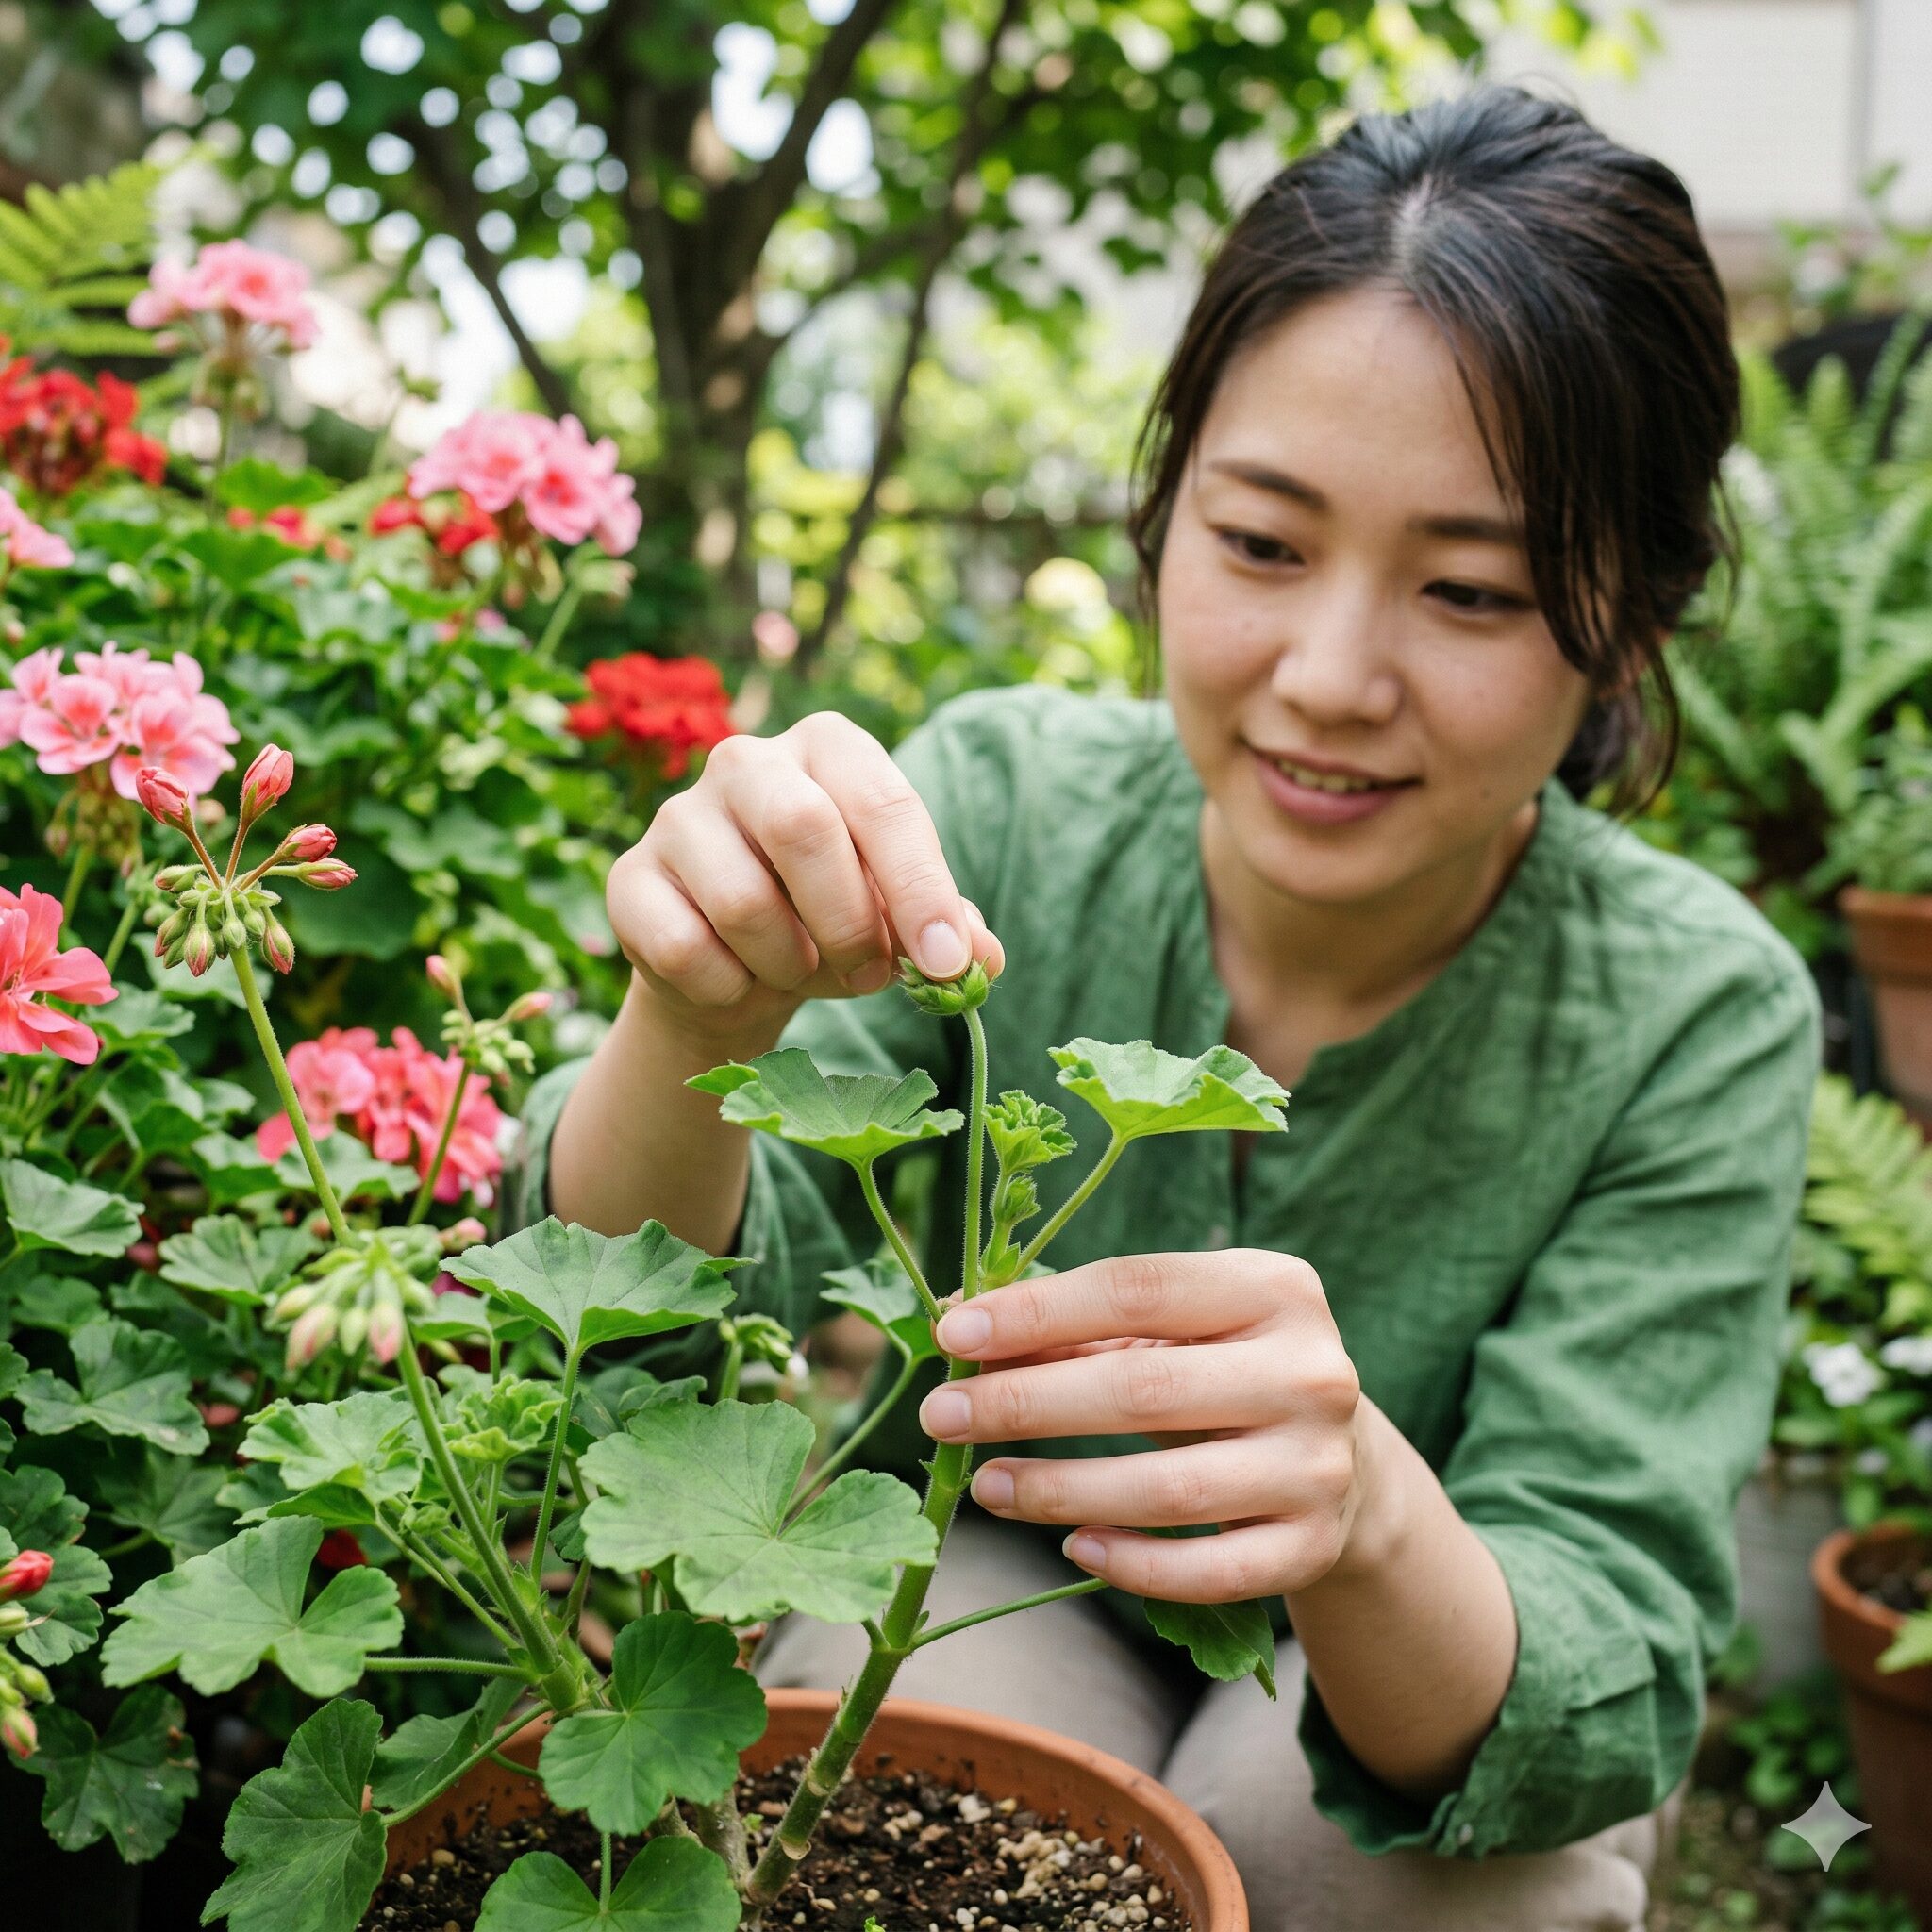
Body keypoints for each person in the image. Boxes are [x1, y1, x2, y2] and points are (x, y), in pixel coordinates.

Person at [521, 86, 1821, 1932]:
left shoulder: (1698, 1015)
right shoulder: (1000, 812)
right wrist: (685, 1020)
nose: (1327, 677)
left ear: (1629, 614)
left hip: (1431, 1646)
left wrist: (1361, 1509)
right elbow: (628, 1350)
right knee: (912, 1786)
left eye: (1466, 587)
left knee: (1326, 1856)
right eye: (1262, 544)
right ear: (1165, 504)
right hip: (994, 1553)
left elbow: (1597, 1651)